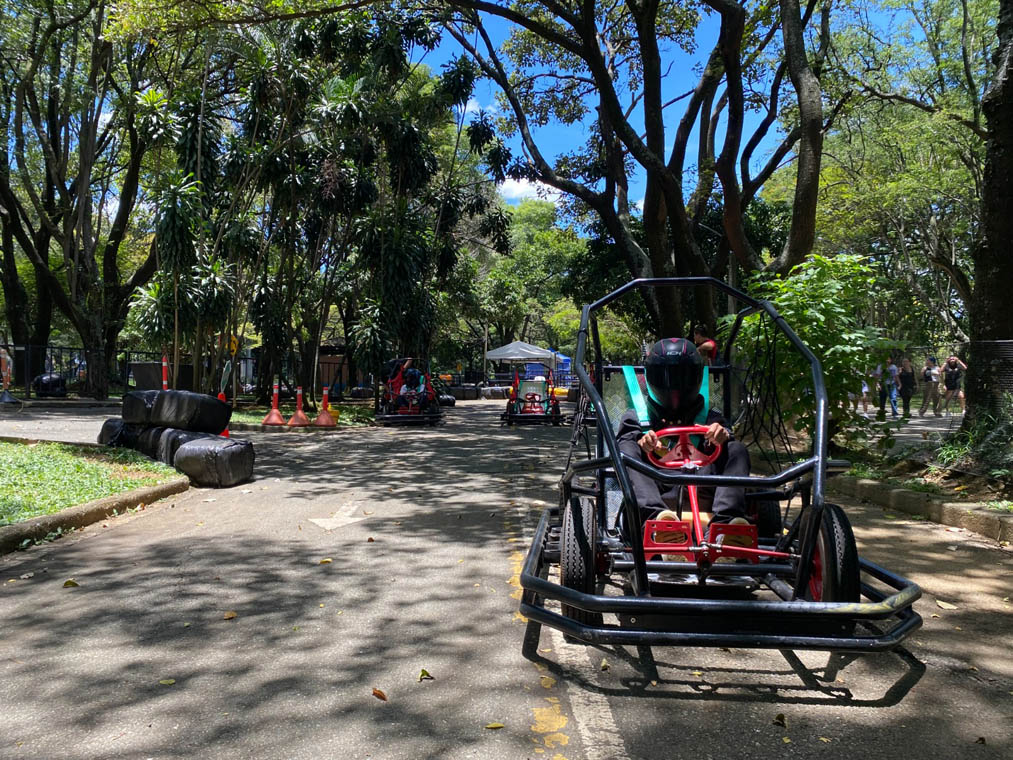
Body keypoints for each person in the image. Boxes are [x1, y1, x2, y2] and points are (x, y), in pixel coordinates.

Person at [616, 339, 750, 539]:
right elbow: (625, 443)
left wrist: (721, 435)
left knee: (737, 449)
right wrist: (643, 442)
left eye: (683, 377)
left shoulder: (710, 417)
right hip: (658, 489)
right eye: (668, 377)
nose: (675, 384)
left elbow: (726, 442)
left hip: (703, 486)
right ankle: (659, 524)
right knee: (626, 449)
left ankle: (726, 526)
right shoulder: (637, 417)